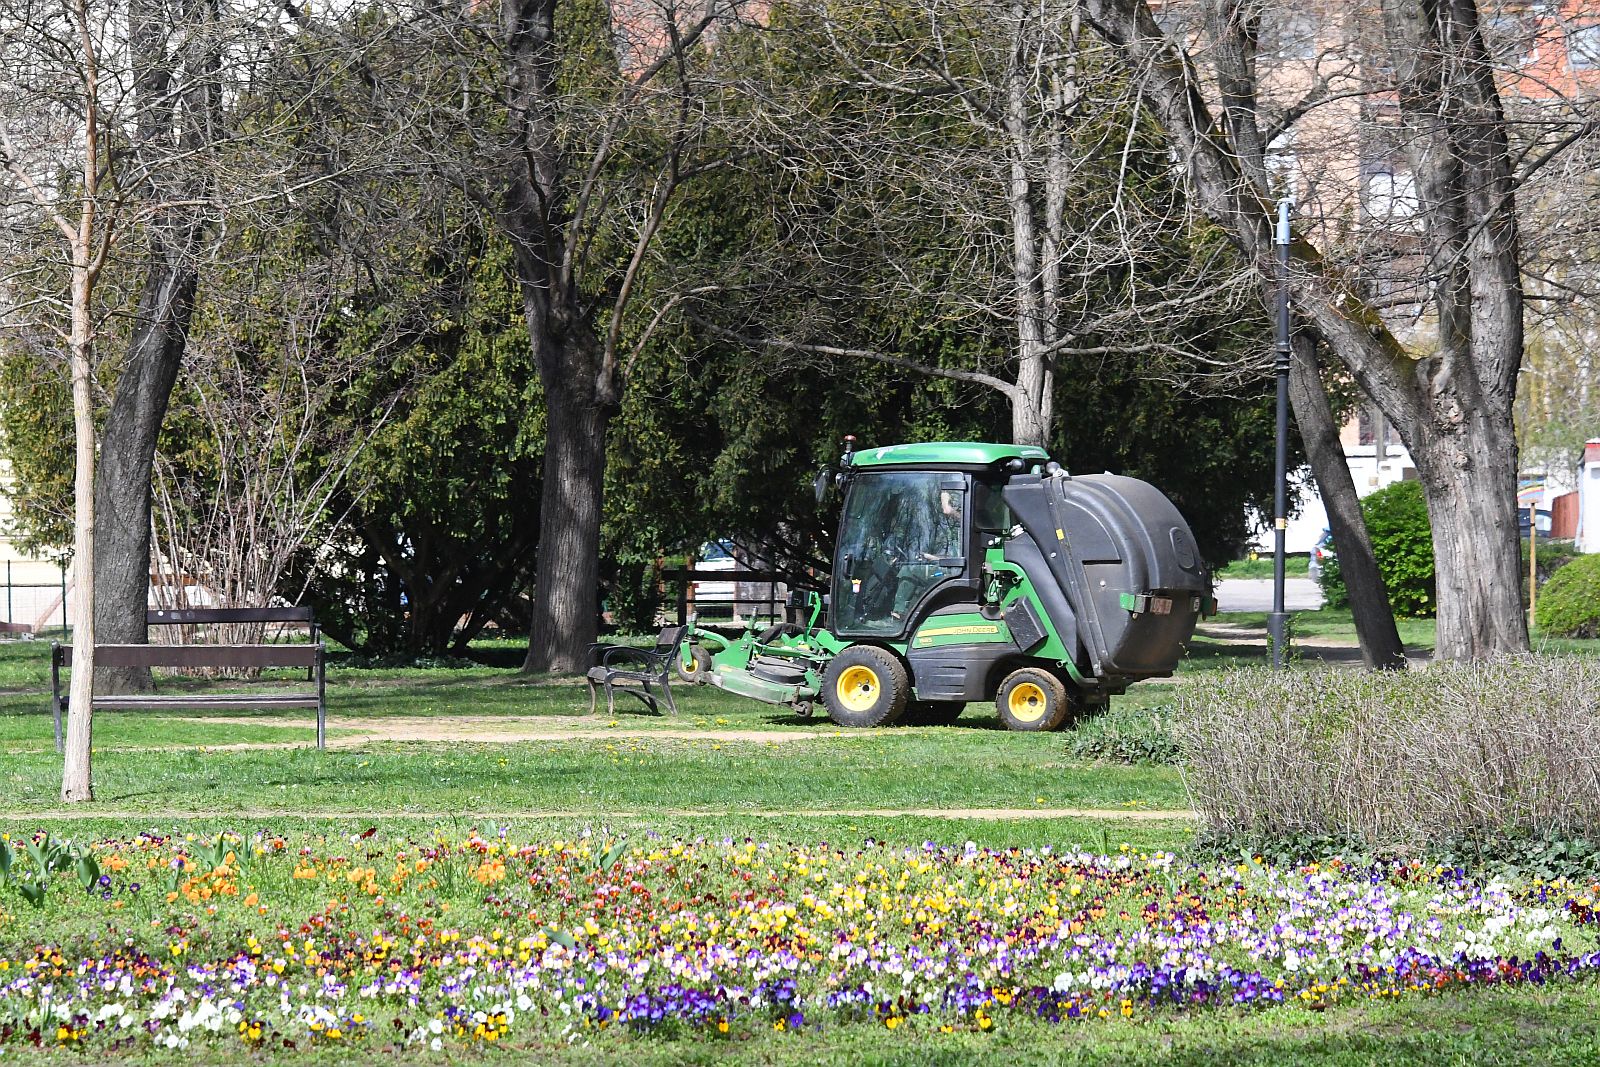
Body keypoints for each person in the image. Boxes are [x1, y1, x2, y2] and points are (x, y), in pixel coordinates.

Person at [890, 489, 962, 621]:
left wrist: (946, 501)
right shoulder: (951, 530)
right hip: (948, 568)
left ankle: (899, 613)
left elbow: (957, 561)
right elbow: (951, 558)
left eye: (942, 502)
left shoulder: (962, 526)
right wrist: (931, 557)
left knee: (909, 570)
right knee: (914, 566)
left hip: (951, 573)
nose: (941, 507)